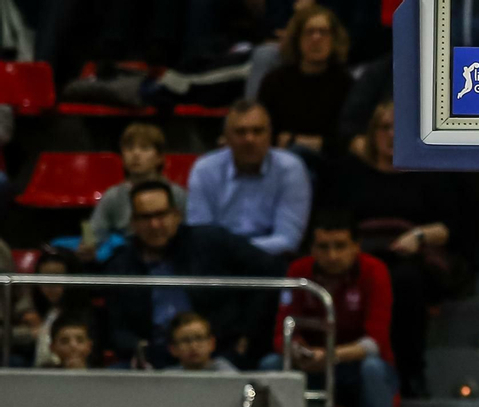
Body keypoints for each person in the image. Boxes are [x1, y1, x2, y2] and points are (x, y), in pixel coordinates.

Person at [327, 100, 473, 395]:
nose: (393, 135)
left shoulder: (429, 174)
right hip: (357, 254)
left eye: (402, 128)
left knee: (403, 281)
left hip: (410, 256)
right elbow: (332, 219)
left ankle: (410, 372)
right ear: (372, 133)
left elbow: (454, 226)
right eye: (385, 128)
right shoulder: (349, 172)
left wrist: (419, 235)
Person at [267, 208, 401, 407]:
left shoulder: (374, 271)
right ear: (312, 248)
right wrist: (300, 353)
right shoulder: (298, 270)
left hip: (355, 368)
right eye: (323, 247)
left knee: (373, 369)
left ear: (356, 247)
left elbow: (375, 341)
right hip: (311, 364)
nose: (332, 256)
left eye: (340, 246)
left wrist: (330, 356)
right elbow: (281, 334)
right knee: (270, 365)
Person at [102, 181, 282, 368]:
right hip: (155, 358)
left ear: (176, 215)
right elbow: (117, 328)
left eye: (161, 215)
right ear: (133, 223)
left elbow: (269, 268)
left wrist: (247, 334)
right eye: (145, 217)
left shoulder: (211, 241)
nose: (155, 225)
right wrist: (138, 348)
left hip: (218, 353)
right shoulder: (120, 265)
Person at [185, 100, 313, 258]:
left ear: (270, 134)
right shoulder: (204, 169)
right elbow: (199, 235)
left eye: (258, 131)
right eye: (240, 132)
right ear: (226, 137)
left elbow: (288, 240)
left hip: (272, 260)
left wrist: (235, 250)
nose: (249, 139)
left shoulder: (290, 168)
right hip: (218, 262)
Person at [81, 123, 187, 262]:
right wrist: (87, 244)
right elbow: (92, 229)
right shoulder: (113, 195)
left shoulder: (177, 193)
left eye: (144, 148)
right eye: (129, 148)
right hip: (129, 260)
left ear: (160, 157)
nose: (136, 154)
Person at [256, 5, 353, 156]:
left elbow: (347, 139)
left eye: (323, 32)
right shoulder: (274, 81)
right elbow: (264, 130)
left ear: (334, 40)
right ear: (297, 39)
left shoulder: (346, 83)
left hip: (328, 163)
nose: (316, 38)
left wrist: (299, 141)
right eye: (309, 32)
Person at [168, 312, 239, 374]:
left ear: (211, 343)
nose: (193, 346)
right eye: (185, 340)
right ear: (173, 349)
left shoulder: (228, 374)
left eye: (199, 338)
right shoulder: (166, 379)